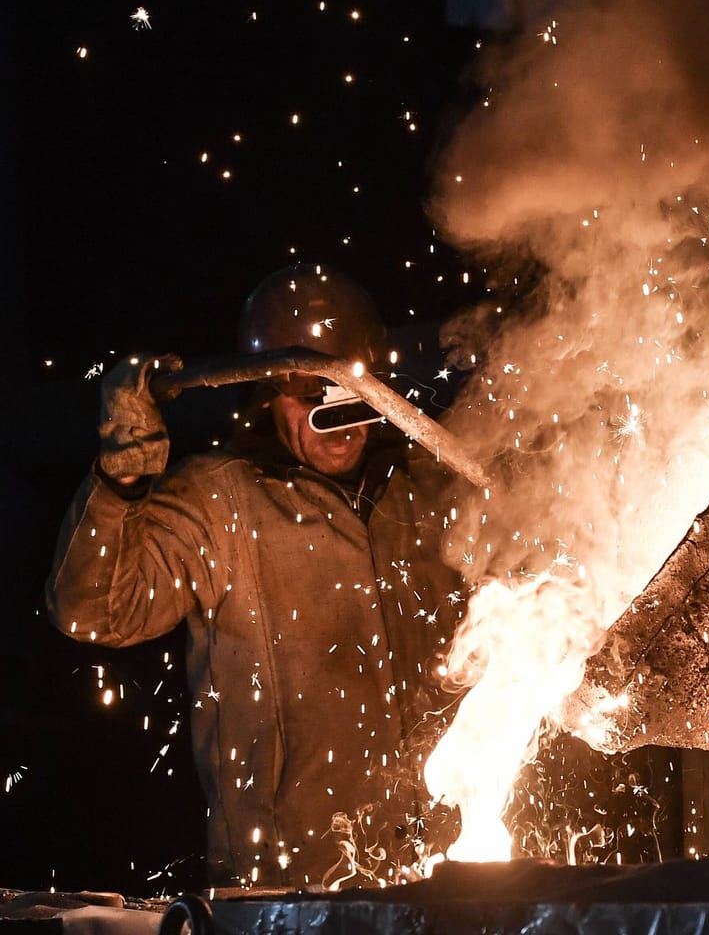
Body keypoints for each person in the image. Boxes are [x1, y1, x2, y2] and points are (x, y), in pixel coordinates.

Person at [47, 264, 465, 886]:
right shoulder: (221, 503)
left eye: (353, 392)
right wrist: (120, 481)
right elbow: (93, 610)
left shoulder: (423, 494)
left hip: (440, 872)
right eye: (310, 395)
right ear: (268, 393)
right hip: (288, 889)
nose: (339, 420)